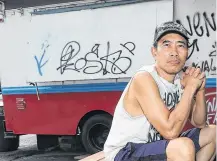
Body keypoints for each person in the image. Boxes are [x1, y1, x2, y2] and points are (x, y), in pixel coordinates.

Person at [103, 21, 216, 161]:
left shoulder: (179, 78)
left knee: (213, 133)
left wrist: (199, 91)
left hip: (155, 147)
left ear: (187, 52)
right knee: (182, 147)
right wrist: (190, 88)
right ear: (154, 52)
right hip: (125, 153)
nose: (174, 52)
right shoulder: (144, 78)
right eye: (166, 45)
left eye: (181, 45)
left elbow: (199, 123)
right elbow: (170, 131)